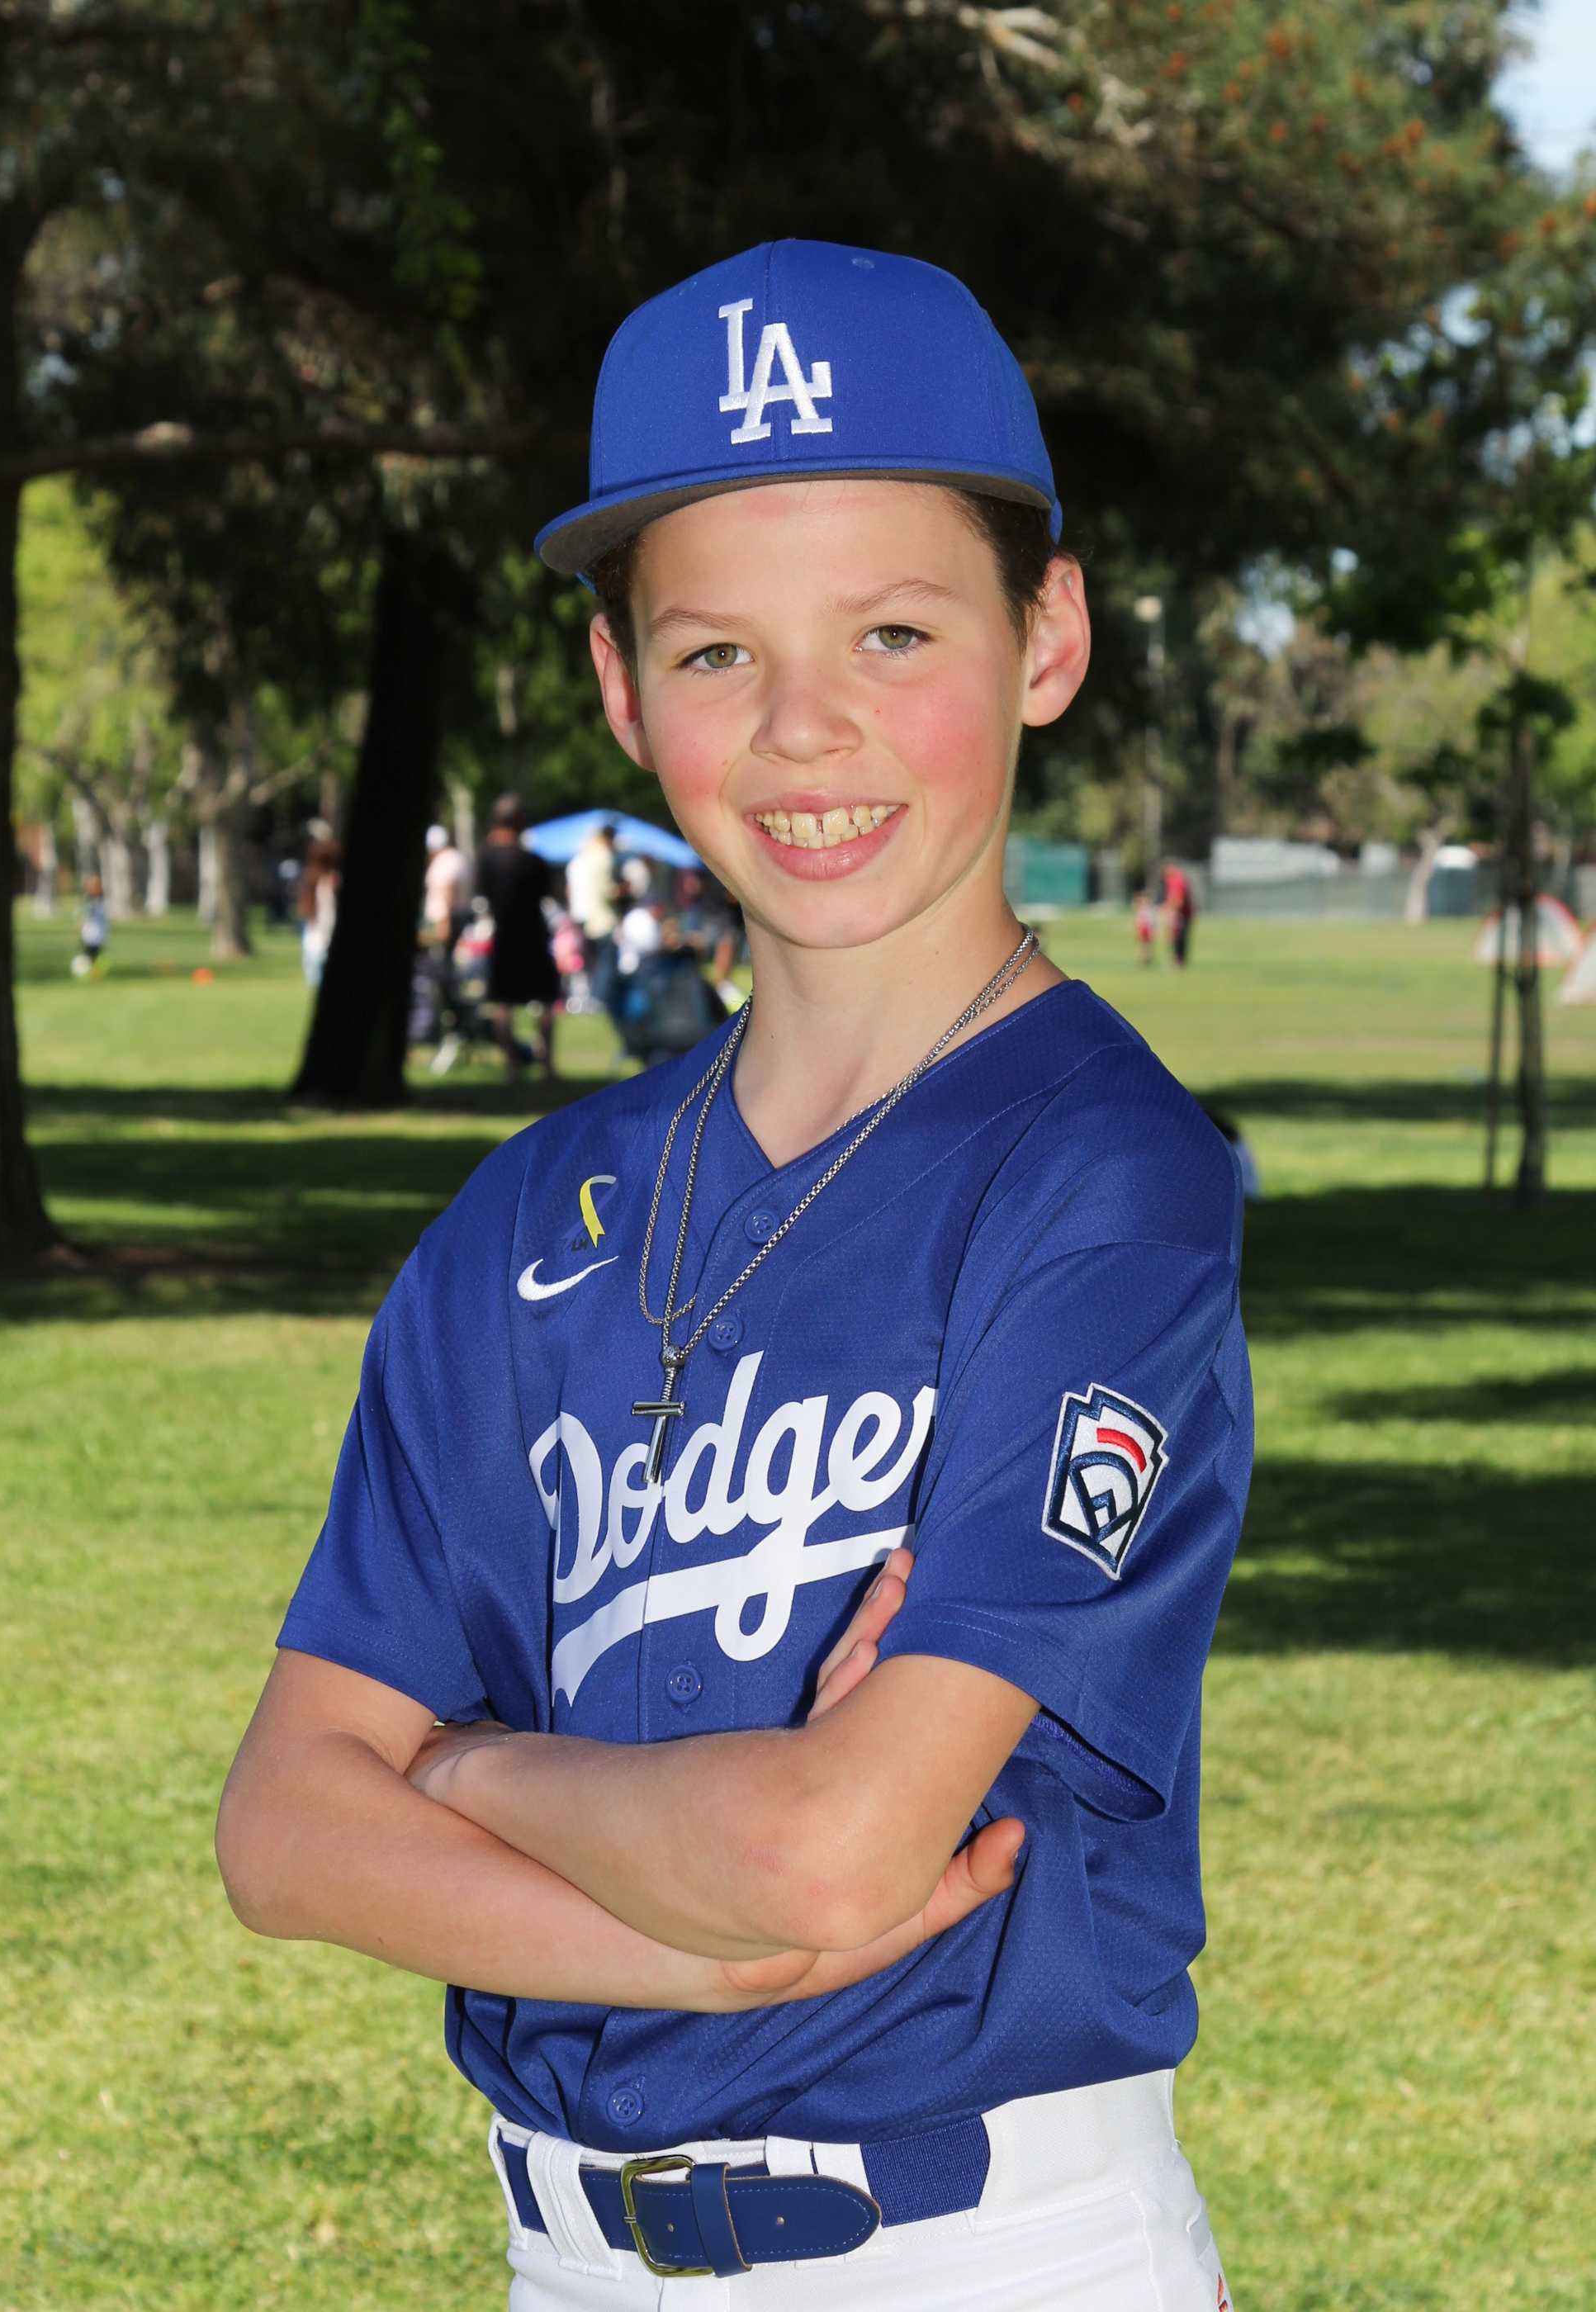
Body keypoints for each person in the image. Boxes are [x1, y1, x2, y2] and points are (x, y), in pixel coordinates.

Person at [218, 240, 1250, 2312]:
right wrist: (700, 1941)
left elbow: (828, 1851)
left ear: (1045, 637)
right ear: (619, 688)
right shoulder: (524, 1219)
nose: (802, 727)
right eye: (714, 652)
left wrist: (466, 1766)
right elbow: (284, 1834)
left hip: (975, 2259)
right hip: (568, 2260)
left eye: (891, 630)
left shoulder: (1101, 1178)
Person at [476, 794, 563, 1078]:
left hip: (503, 936)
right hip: (534, 935)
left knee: (503, 1004)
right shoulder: (532, 860)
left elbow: (481, 892)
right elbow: (554, 893)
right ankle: (547, 1066)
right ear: (519, 820)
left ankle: (511, 1067)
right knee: (546, 1001)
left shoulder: (486, 859)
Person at [567, 819, 622, 976]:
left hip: (585, 919)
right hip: (601, 920)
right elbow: (606, 891)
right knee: (605, 968)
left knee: (592, 965)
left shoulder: (582, 859)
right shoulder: (603, 856)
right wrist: (623, 890)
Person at [299, 821, 341, 988]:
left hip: (315, 939)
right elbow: (327, 912)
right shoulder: (326, 882)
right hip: (321, 938)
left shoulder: (314, 880)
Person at [423, 822, 472, 948]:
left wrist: (445, 923)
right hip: (458, 915)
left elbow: (448, 889)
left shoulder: (445, 860)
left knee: (442, 956)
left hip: (447, 920)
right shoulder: (457, 857)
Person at [73, 875, 109, 977]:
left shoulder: (100, 901)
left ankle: (94, 973)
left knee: (96, 955)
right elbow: (85, 916)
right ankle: (89, 972)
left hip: (98, 933)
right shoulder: (89, 901)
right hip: (89, 933)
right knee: (89, 955)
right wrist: (79, 927)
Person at [1163, 861, 1196, 969]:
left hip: (1180, 913)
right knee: (1178, 936)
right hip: (1180, 912)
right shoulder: (1174, 879)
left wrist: (1171, 911)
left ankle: (1178, 961)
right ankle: (1178, 960)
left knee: (1178, 936)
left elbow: (1178, 897)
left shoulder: (1176, 879)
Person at [1133, 883, 1157, 966]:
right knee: (1142, 944)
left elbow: (1152, 921)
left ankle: (1148, 958)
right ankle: (1142, 958)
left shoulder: (1150, 909)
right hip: (1142, 928)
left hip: (1148, 928)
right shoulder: (1139, 909)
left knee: (1149, 944)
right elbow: (1137, 920)